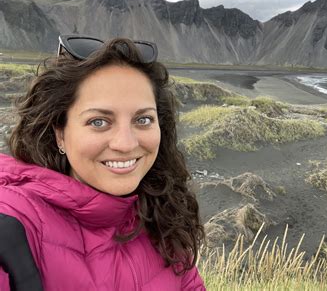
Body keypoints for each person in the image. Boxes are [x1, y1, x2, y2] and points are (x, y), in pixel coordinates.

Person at [0, 36, 206, 290]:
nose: (126, 144)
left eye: (143, 120)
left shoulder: (164, 217)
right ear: (60, 133)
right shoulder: (15, 223)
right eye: (99, 122)